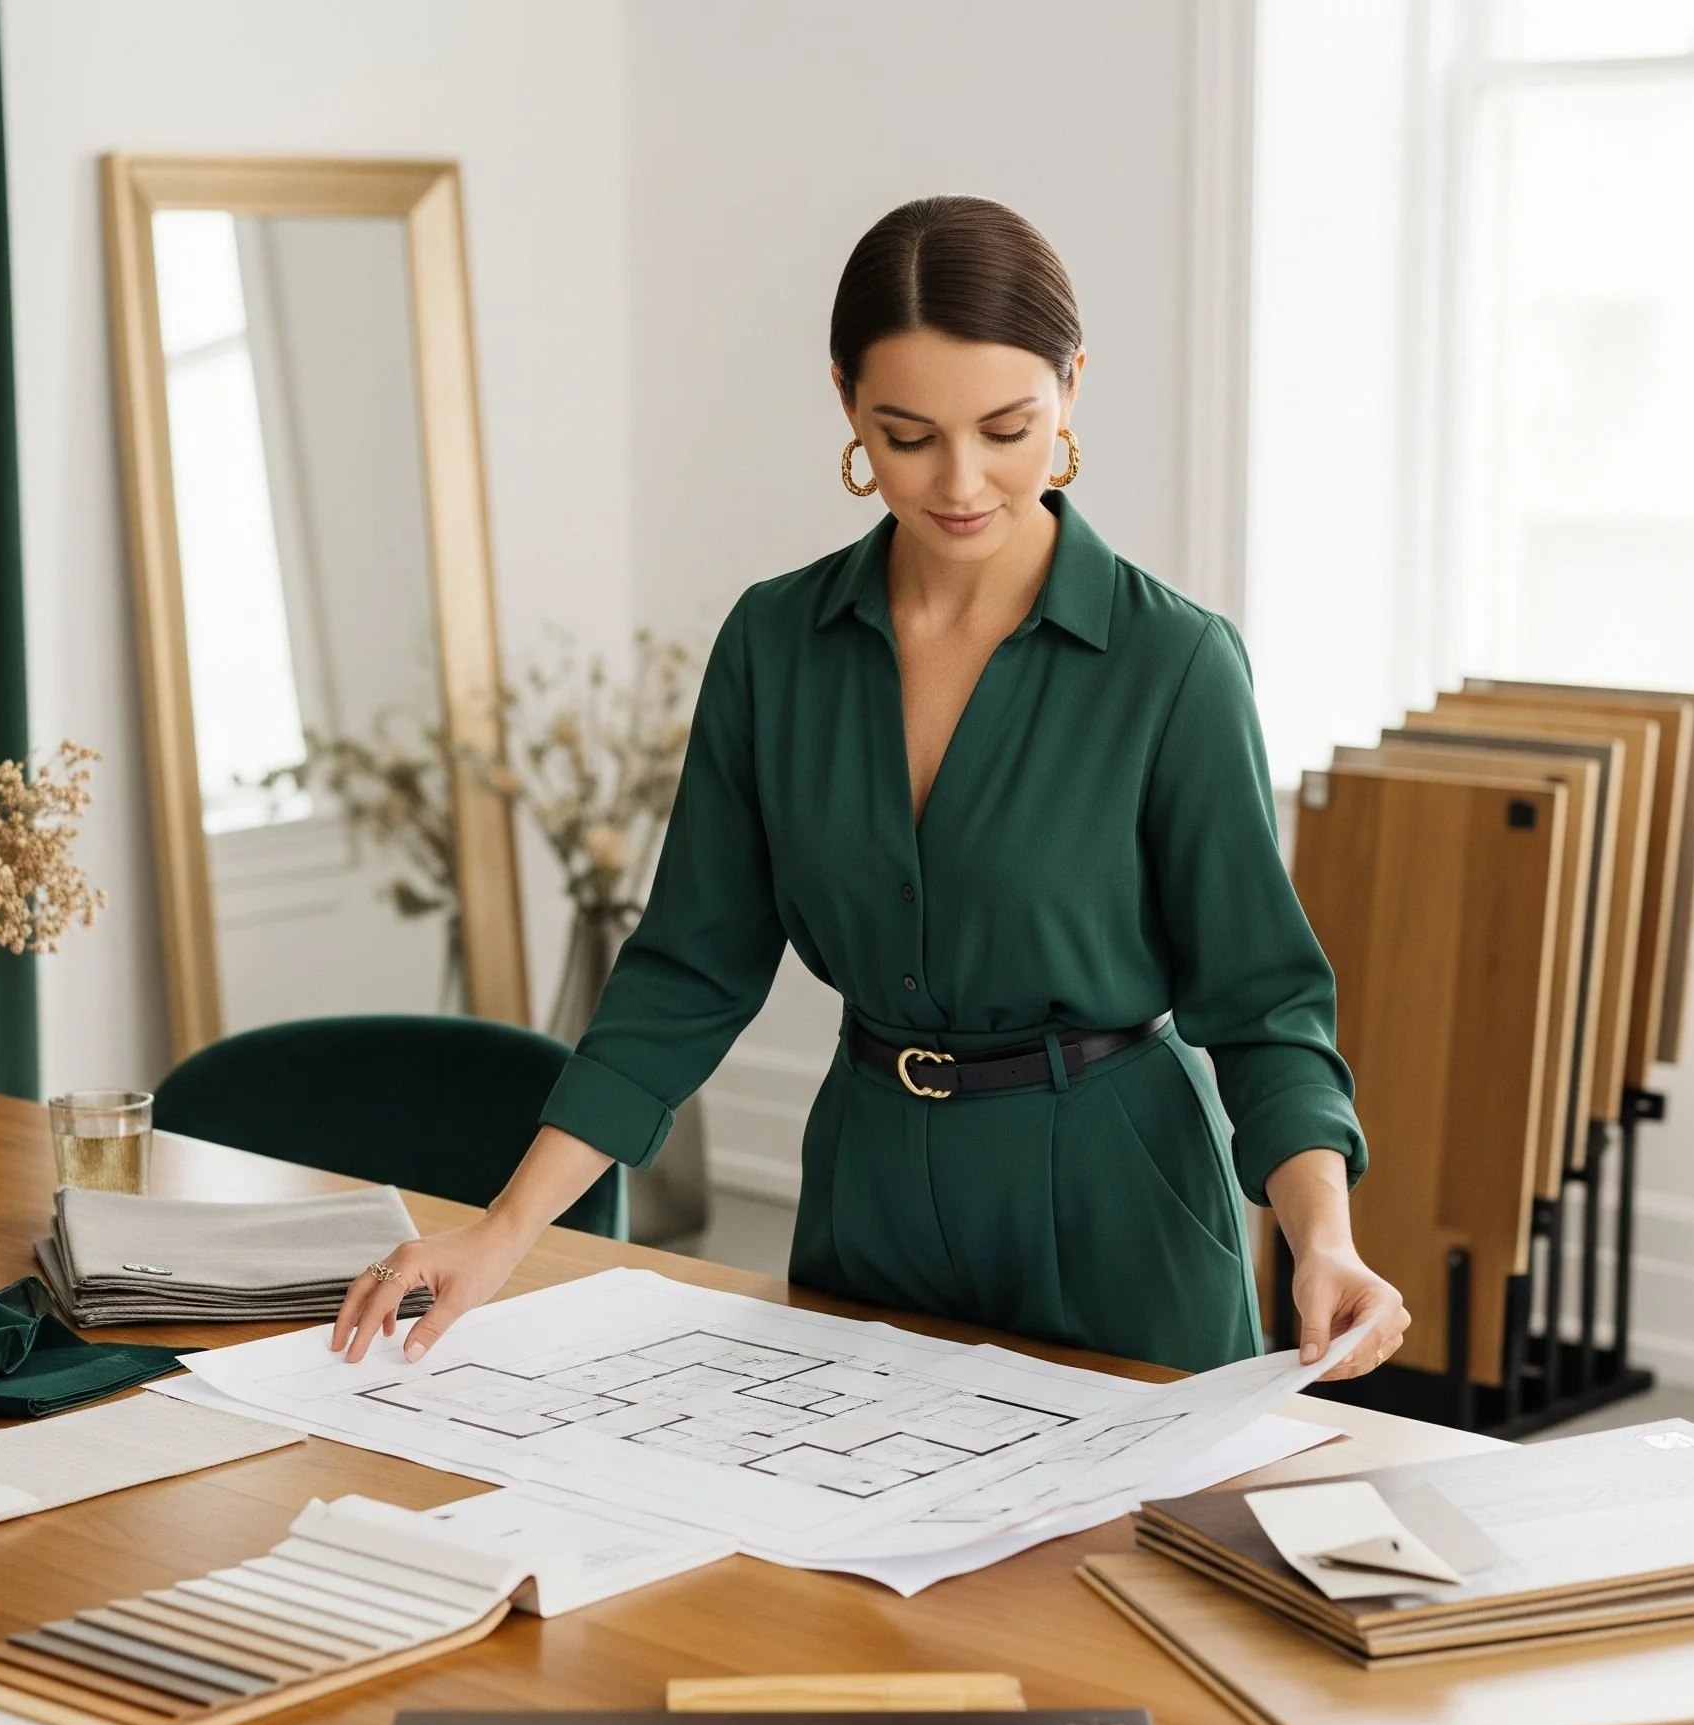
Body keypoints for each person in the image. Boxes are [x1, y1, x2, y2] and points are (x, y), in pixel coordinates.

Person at [334, 194, 1408, 1382]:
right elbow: (687, 968)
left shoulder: (1172, 664)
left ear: (1071, 387)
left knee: (1105, 1562)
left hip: (1116, 1198)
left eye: (1009, 428)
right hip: (869, 1187)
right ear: (845, 400)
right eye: (908, 435)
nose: (961, 481)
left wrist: (1324, 1239)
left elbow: (1261, 1002)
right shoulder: (775, 644)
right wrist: (502, 1232)